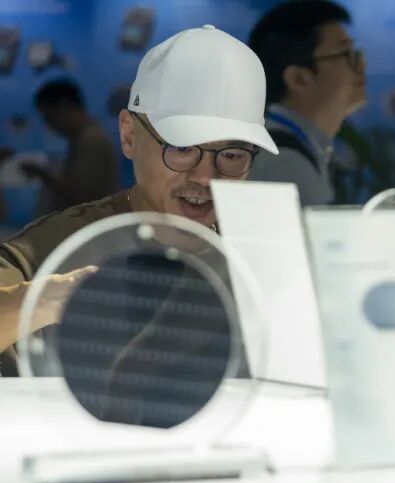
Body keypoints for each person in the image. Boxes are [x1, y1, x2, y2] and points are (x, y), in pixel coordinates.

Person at [0, 25, 278, 357]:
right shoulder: (55, 249)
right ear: (129, 135)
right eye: (182, 148)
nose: (206, 177)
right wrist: (44, 301)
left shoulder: (268, 261)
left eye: (232, 155)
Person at [248, 0, 366, 206]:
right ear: (298, 79)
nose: (361, 65)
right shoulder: (284, 164)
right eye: (345, 54)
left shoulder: (287, 147)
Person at [22, 79, 121, 215]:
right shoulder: (83, 138)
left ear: (64, 108)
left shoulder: (91, 140)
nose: (49, 125)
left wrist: (45, 175)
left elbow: (82, 195)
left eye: (49, 117)